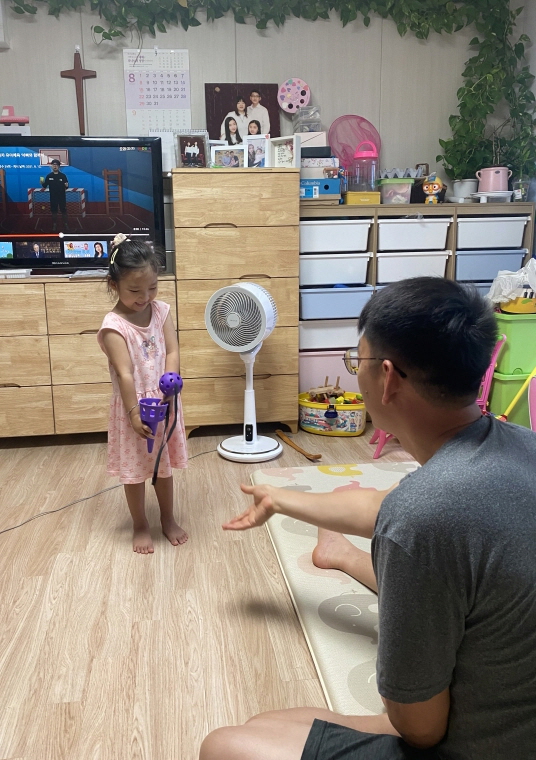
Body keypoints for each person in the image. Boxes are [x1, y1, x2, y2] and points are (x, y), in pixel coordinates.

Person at [200, 277, 536, 760]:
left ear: (388, 378)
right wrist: (279, 498)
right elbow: (385, 508)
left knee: (225, 746)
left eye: (357, 362)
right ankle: (339, 555)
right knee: (263, 726)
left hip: (479, 745)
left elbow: (421, 729)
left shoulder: (422, 517)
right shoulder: (518, 444)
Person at [97, 234, 188, 554]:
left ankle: (167, 518)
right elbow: (125, 373)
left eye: (152, 287)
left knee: (163, 464)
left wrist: (170, 380)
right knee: (135, 471)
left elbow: (172, 350)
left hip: (164, 402)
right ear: (114, 285)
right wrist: (134, 413)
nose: (145, 297)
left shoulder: (161, 311)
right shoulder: (114, 326)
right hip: (133, 407)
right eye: (135, 290)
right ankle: (139, 524)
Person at [41, 159, 69, 229]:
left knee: (63, 211)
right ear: (51, 166)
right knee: (54, 211)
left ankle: (66, 224)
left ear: (59, 166)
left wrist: (66, 186)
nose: (55, 166)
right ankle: (54, 224)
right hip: (53, 197)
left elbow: (67, 186)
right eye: (53, 165)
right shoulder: (49, 176)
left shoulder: (63, 176)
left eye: (56, 165)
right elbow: (44, 186)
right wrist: (42, 183)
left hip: (62, 197)